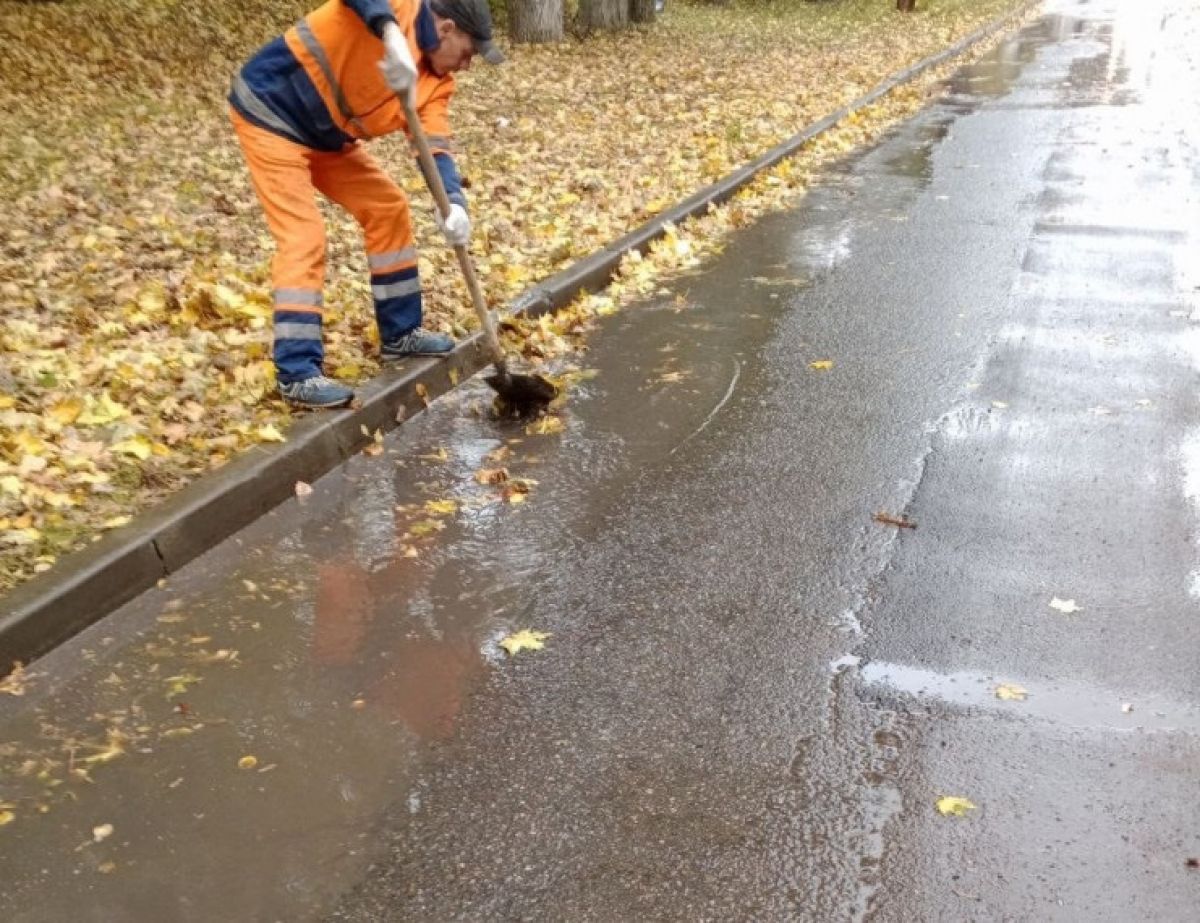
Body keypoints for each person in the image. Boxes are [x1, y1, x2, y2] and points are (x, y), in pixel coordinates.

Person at [228, 0, 505, 409]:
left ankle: (400, 334)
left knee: (388, 206)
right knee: (304, 237)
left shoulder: (438, 82)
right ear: (446, 29)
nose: (467, 64)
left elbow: (437, 150)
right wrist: (390, 33)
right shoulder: (401, 7)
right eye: (468, 52)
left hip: (327, 136)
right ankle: (297, 373)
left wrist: (454, 206)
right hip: (271, 111)